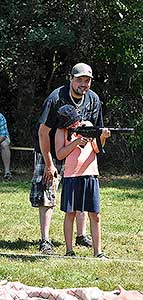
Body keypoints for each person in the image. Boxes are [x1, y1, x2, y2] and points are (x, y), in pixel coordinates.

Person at [30, 63, 104, 255]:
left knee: (79, 192)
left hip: (78, 152)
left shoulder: (93, 100)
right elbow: (43, 132)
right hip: (50, 149)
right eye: (79, 80)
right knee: (47, 192)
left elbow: (97, 131)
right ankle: (45, 240)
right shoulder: (56, 99)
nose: (83, 84)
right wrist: (49, 163)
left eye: (87, 81)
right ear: (70, 79)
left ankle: (81, 235)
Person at [55, 104, 111, 258]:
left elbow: (97, 149)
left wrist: (102, 137)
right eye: (70, 123)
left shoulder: (88, 126)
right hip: (71, 176)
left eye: (75, 121)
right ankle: (69, 251)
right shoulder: (61, 132)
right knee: (70, 214)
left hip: (90, 174)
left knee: (95, 214)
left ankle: (98, 252)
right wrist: (76, 142)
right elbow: (59, 155)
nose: (75, 125)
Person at [0, 113, 12, 180]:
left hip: (1, 138)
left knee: (4, 144)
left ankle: (7, 172)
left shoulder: (0, 117)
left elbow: (3, 135)